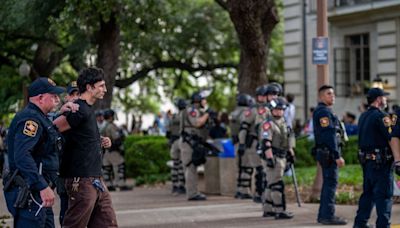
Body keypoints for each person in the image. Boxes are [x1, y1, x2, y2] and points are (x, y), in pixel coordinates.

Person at [3, 77, 76, 227]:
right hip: (31, 192)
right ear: (40, 98)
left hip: (38, 193)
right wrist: (42, 186)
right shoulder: (30, 120)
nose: (57, 99)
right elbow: (22, 156)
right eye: (53, 95)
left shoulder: (40, 117)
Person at [54, 67, 118, 227]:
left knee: (108, 223)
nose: (105, 89)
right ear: (89, 87)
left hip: (96, 178)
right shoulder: (78, 109)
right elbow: (52, 129)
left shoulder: (87, 110)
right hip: (81, 180)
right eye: (101, 86)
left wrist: (99, 140)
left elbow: (79, 136)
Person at [354, 88, 394, 228]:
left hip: (367, 162)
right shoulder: (382, 116)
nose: (386, 100)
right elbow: (392, 138)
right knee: (384, 196)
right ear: (378, 99)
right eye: (384, 97)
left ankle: (360, 224)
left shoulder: (363, 116)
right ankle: (383, 225)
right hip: (381, 163)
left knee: (368, 194)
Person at [313, 85, 347, 225]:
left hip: (326, 153)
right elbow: (329, 135)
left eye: (333, 94)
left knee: (329, 183)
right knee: (331, 184)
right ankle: (328, 216)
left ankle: (324, 215)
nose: (332, 96)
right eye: (328, 94)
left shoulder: (325, 111)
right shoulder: (323, 112)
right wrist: (337, 155)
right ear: (321, 97)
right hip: (328, 154)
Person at [259, 98, 295, 219]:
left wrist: (291, 152)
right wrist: (270, 158)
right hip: (273, 156)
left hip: (282, 155)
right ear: (271, 110)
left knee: (271, 182)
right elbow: (266, 143)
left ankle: (268, 209)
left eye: (281, 109)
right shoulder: (268, 124)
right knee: (277, 184)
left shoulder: (283, 122)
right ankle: (280, 210)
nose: (279, 112)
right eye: (276, 109)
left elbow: (287, 139)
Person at [237, 85, 270, 203]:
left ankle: (262, 193)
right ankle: (258, 193)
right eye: (262, 95)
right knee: (259, 169)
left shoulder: (271, 108)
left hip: (266, 142)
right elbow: (243, 128)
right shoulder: (253, 110)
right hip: (254, 142)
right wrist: (241, 143)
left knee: (265, 169)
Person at [179, 91, 213, 201]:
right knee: (190, 167)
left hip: (190, 142)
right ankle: (192, 193)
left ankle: (193, 191)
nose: (206, 101)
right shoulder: (192, 111)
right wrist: (207, 114)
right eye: (204, 99)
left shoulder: (194, 110)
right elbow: (197, 123)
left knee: (191, 167)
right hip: (188, 142)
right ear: (198, 100)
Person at [57, 81, 79, 226]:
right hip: (63, 170)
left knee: (80, 208)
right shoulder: (60, 115)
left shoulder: (84, 115)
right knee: (66, 207)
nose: (76, 97)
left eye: (78, 94)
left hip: (79, 170)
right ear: (66, 97)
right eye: (73, 94)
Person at [230, 93, 254, 199]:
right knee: (247, 167)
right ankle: (245, 190)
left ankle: (239, 189)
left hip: (235, 142)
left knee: (239, 166)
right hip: (244, 142)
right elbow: (245, 127)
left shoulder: (234, 112)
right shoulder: (245, 113)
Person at [101, 109, 132, 191]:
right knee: (120, 166)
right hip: (113, 150)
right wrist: (121, 135)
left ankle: (108, 185)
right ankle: (120, 184)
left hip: (106, 150)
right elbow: (116, 138)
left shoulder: (103, 126)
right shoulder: (111, 126)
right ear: (111, 116)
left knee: (107, 168)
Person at [167, 98, 187, 195]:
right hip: (181, 140)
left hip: (173, 141)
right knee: (181, 165)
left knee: (175, 165)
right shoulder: (183, 116)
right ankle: (181, 186)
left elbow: (168, 131)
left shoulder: (173, 117)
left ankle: (174, 185)